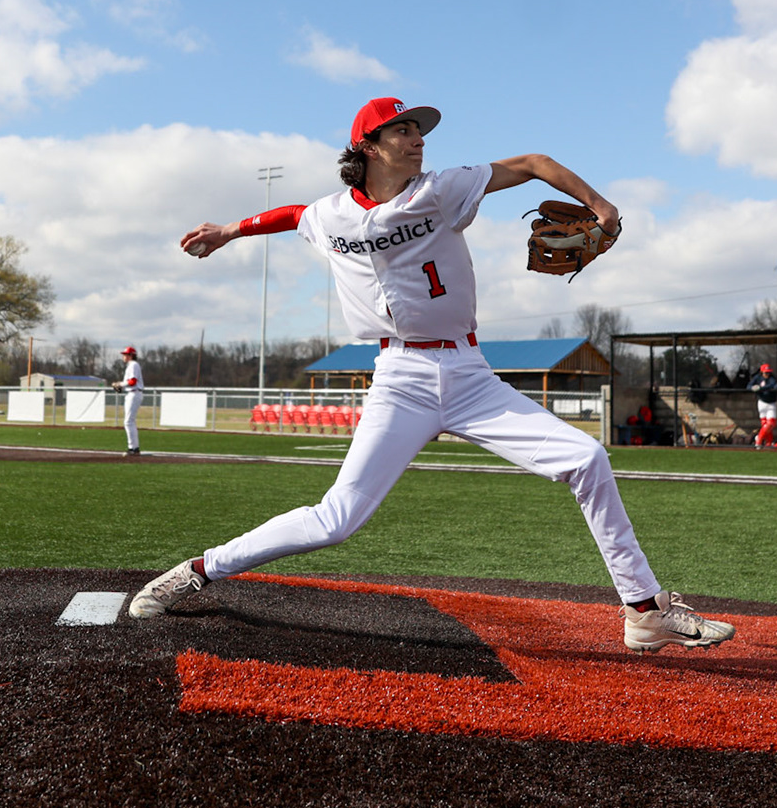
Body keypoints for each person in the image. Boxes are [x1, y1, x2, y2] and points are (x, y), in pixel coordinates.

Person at [128, 96, 734, 654]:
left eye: (419, 128)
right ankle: (200, 571)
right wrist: (230, 231)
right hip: (400, 378)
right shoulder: (332, 214)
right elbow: (293, 215)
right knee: (337, 518)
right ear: (368, 144)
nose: (418, 138)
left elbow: (532, 162)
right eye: (403, 129)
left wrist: (601, 206)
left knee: (587, 460)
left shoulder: (442, 191)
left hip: (470, 374)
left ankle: (644, 610)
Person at [114, 345, 143, 456]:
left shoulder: (134, 365)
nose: (124, 356)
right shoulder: (131, 365)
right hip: (132, 393)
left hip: (134, 393)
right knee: (130, 421)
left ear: (131, 355)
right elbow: (130, 382)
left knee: (128, 421)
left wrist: (120, 384)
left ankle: (133, 448)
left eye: (126, 354)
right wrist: (121, 386)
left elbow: (132, 381)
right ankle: (134, 447)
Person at [750, 363, 777, 447]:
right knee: (764, 424)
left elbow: (772, 385)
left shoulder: (772, 378)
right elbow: (749, 386)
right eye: (765, 372)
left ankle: (759, 439)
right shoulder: (757, 378)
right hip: (762, 403)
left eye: (768, 372)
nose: (767, 374)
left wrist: (760, 388)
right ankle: (768, 443)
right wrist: (753, 388)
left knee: (771, 424)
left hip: (771, 403)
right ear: (762, 372)